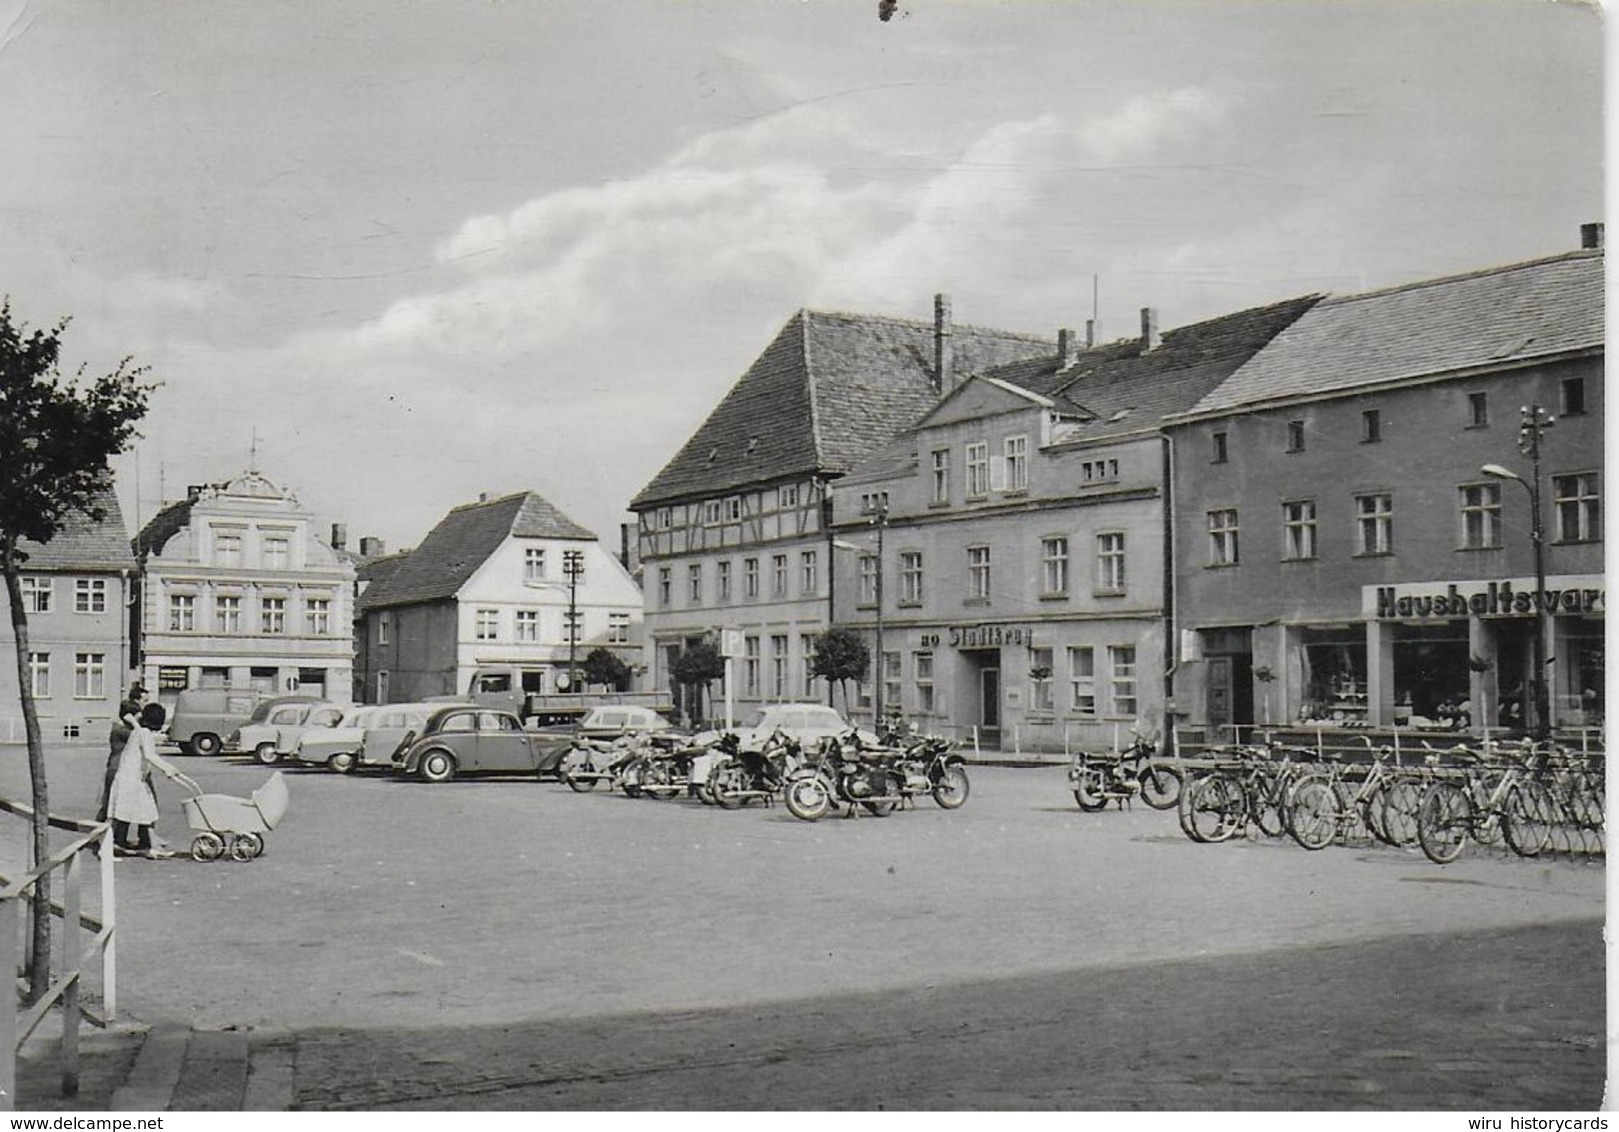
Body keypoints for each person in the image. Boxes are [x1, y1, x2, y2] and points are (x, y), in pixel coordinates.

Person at [107, 702, 195, 858]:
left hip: (129, 777)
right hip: (132, 779)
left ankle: (118, 843)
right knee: (147, 811)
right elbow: (149, 755)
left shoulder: (138, 732)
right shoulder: (144, 734)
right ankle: (150, 846)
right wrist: (167, 768)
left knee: (126, 813)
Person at [96, 683, 146, 823]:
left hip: (120, 768)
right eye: (137, 716)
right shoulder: (122, 731)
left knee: (117, 805)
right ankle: (95, 835)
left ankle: (116, 836)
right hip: (117, 768)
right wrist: (135, 723)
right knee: (110, 806)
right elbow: (141, 738)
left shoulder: (123, 728)